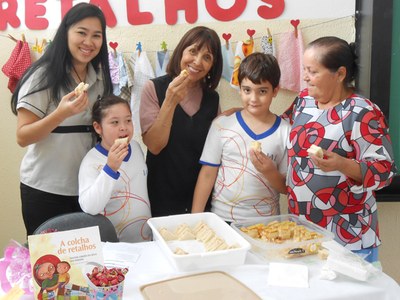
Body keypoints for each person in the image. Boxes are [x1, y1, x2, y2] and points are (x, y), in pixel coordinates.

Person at [282, 36, 397, 263]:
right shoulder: (303, 101)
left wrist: (341, 164)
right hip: (304, 233)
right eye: (305, 69)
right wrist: (239, 113)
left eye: (313, 71)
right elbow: (277, 126)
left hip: (349, 237)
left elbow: (384, 172)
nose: (305, 77)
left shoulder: (362, 112)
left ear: (340, 74)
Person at [10, 3, 113, 236]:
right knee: (50, 267)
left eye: (97, 35)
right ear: (65, 32)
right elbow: (22, 136)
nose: (89, 42)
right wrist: (61, 114)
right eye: (81, 32)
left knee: (85, 263)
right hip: (45, 190)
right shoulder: (43, 75)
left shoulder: (99, 77)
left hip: (86, 189)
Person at [191, 52, 290, 223]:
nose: (253, 98)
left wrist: (269, 171)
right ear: (239, 89)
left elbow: (286, 188)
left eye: (262, 91)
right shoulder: (222, 125)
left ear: (275, 91)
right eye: (247, 90)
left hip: (267, 225)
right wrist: (195, 219)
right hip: (222, 221)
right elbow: (207, 174)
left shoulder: (285, 132)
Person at [139, 26, 223, 217]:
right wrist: (170, 100)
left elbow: (215, 151)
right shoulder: (154, 88)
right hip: (160, 197)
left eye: (207, 57)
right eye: (193, 51)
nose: (198, 61)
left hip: (199, 200)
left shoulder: (212, 99)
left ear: (212, 66)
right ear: (181, 52)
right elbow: (154, 145)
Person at [78, 95, 152, 243]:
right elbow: (90, 207)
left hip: (146, 240)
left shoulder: (136, 148)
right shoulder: (91, 161)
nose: (123, 127)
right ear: (98, 128)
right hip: (114, 245)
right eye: (115, 122)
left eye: (128, 120)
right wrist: (110, 168)